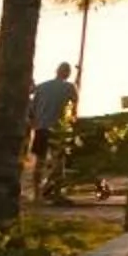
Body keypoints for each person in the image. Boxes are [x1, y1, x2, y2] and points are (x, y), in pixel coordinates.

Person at [29, 62, 79, 195]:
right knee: (59, 161)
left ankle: (37, 193)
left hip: (41, 127)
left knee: (39, 161)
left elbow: (32, 108)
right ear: (67, 73)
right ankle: (55, 191)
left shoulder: (42, 87)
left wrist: (34, 121)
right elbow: (74, 108)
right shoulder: (69, 87)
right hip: (58, 129)